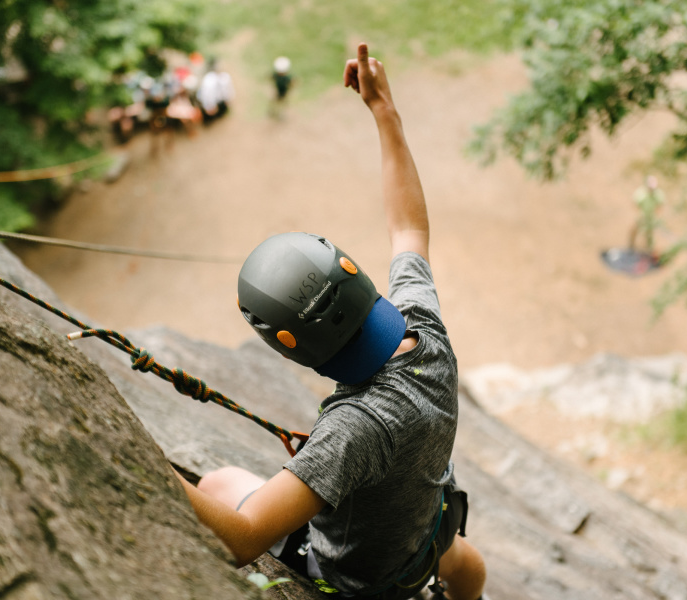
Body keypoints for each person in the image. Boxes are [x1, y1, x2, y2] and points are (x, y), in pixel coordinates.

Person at [172, 43, 487, 600]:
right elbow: (409, 230)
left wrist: (139, 457)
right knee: (470, 567)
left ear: (292, 347)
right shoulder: (423, 327)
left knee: (221, 483)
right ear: (354, 276)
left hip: (359, 577)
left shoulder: (353, 431)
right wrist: (384, 111)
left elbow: (244, 539)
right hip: (431, 533)